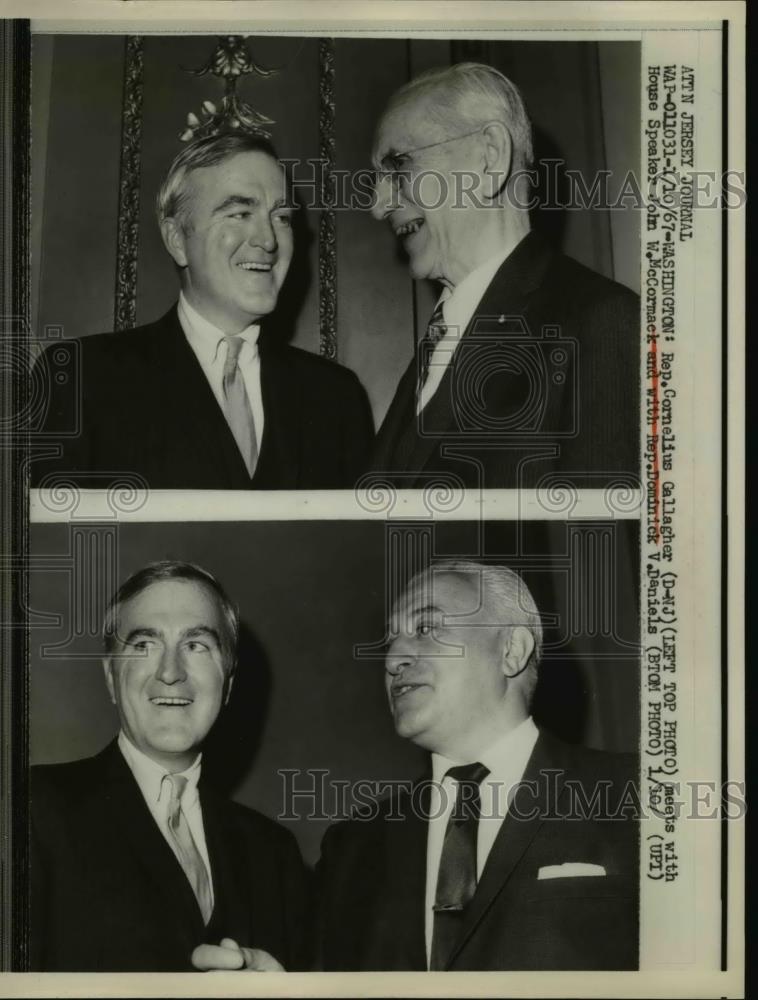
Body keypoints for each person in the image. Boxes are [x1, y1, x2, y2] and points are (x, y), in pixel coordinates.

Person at [316, 560, 639, 970]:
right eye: (391, 639)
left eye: (427, 628)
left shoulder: (638, 794)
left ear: (511, 651)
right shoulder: (352, 847)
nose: (394, 657)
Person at [32, 133, 373, 490]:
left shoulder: (337, 398)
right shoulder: (78, 378)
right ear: (177, 239)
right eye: (240, 213)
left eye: (282, 217)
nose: (269, 240)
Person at [368, 63, 640, 489]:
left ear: (489, 156)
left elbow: (605, 549)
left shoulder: (602, 321)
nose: (379, 205)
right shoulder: (439, 339)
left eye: (398, 165)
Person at [30, 561, 311, 972]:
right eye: (144, 644)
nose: (171, 673)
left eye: (197, 645)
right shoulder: (29, 809)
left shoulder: (274, 854)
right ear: (110, 676)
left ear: (228, 684)